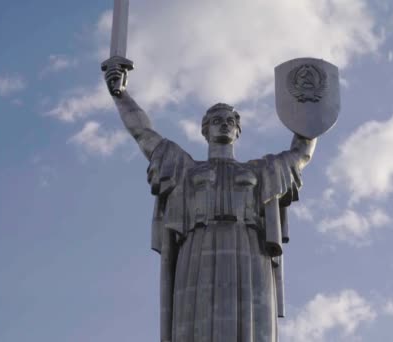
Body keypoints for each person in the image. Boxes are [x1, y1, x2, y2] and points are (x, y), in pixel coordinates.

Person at [104, 63, 316, 342]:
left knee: (252, 327)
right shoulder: (185, 169)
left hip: (249, 248)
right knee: (196, 326)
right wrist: (121, 95)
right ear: (205, 130)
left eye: (230, 120)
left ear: (238, 130)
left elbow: (300, 152)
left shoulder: (259, 171)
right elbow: (144, 134)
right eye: (217, 120)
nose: (225, 124)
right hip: (199, 249)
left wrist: (311, 110)